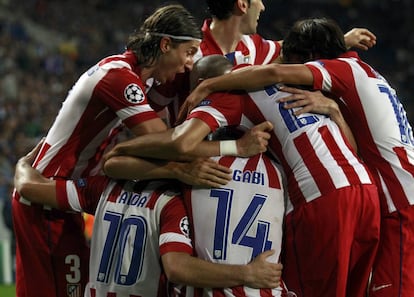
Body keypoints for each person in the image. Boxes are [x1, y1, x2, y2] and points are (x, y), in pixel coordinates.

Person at [103, 54, 380, 297]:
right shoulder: (278, 168)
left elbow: (118, 162)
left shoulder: (196, 160)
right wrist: (333, 109)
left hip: (211, 285)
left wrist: (171, 166)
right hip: (361, 193)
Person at [183, 17, 414, 297]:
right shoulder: (368, 77)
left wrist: (208, 86)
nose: (292, 70)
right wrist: (335, 110)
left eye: (294, 62)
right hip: (371, 196)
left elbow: (273, 74)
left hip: (388, 201)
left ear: (312, 59)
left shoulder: (341, 70)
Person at [10, 4, 213, 297]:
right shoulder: (120, 78)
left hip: (58, 195)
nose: (189, 64)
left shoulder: (124, 73)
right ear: (166, 45)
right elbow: (170, 144)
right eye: (188, 52)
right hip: (47, 200)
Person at [13, 142, 283, 297]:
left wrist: (23, 164)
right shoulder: (171, 202)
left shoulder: (104, 187)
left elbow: (29, 188)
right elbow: (177, 267)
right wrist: (246, 273)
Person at [149, 0, 377, 126]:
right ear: (242, 5)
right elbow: (152, 115)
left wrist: (343, 41)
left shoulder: (257, 47)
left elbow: (296, 48)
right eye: (258, 0)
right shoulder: (188, 56)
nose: (263, 7)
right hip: (198, 158)